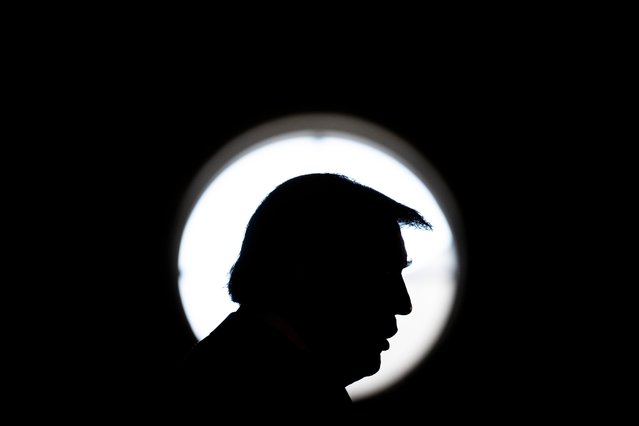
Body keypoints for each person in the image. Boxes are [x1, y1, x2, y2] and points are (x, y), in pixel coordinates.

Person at [177, 173, 432, 418]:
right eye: (382, 275)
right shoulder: (290, 399)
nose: (404, 304)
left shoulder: (222, 373)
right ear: (307, 272)